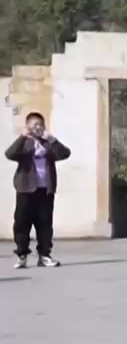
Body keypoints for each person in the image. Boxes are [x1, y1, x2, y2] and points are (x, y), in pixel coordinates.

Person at [6, 112, 70, 269]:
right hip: (25, 190)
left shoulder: (48, 143)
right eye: (35, 124)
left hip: (45, 190)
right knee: (22, 223)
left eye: (41, 124)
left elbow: (65, 153)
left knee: (45, 224)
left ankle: (45, 255)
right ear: (28, 126)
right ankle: (22, 255)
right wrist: (22, 137)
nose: (38, 127)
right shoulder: (24, 142)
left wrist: (52, 139)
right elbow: (10, 154)